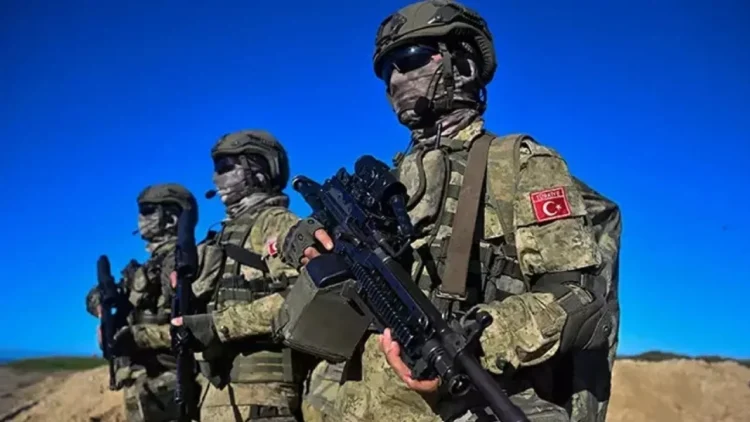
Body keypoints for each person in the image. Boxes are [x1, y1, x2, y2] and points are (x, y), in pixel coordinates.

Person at [278, 1, 622, 421]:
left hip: (467, 404)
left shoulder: (519, 165)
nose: (396, 79)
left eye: (411, 59)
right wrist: (306, 241)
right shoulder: (390, 180)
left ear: (464, 65)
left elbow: (581, 302)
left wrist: (474, 341)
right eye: (387, 71)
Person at [169, 129, 313, 421]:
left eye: (225, 168)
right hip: (215, 394)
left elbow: (303, 299)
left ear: (259, 169)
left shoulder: (276, 224)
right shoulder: (218, 238)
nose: (215, 179)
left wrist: (218, 325)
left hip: (264, 397)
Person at [86, 183, 198, 422]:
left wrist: (138, 336)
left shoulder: (185, 262)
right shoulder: (143, 269)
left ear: (171, 218)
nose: (140, 219)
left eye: (147, 211)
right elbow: (101, 298)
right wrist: (100, 304)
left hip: (173, 380)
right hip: (143, 383)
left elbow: (195, 326)